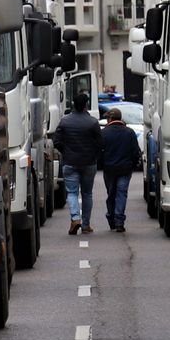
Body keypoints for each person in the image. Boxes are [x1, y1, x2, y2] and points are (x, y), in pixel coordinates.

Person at [52, 91, 103, 234]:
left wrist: (66, 151)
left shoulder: (65, 121)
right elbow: (100, 143)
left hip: (70, 162)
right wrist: (94, 155)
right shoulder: (92, 122)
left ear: (73, 104)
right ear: (86, 105)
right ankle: (86, 225)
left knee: (72, 193)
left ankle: (75, 218)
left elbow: (56, 141)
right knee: (87, 193)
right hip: (89, 162)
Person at [100, 105, 141, 232]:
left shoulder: (104, 133)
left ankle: (111, 218)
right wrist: (132, 166)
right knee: (121, 194)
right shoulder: (129, 132)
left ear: (110, 119)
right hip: (125, 169)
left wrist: (103, 164)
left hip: (109, 169)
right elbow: (136, 152)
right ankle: (119, 221)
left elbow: (99, 152)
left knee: (111, 193)